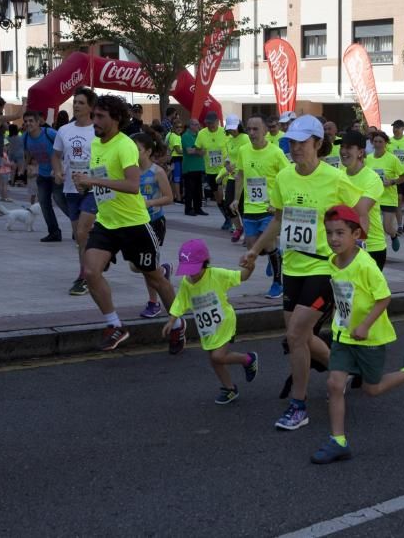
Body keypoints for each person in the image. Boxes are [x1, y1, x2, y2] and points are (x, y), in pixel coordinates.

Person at [241, 115, 372, 431]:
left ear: (317, 143)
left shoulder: (335, 179)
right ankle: (345, 369)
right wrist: (256, 250)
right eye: (291, 142)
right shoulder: (285, 178)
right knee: (301, 337)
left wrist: (349, 250)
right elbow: (278, 219)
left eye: (301, 142)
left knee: (296, 334)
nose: (295, 147)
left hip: (324, 268)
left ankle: (298, 405)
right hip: (293, 267)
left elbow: (360, 219)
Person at [310, 206, 404, 464]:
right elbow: (339, 294)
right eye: (329, 233)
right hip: (343, 334)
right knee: (334, 384)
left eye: (340, 233)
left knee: (372, 389)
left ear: (356, 234)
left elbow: (384, 298)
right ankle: (338, 441)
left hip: (369, 337)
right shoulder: (332, 260)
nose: (334, 239)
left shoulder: (365, 264)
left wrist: (364, 326)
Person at [74, 95, 177, 352]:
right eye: (94, 115)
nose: (94, 120)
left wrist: (94, 181)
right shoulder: (97, 145)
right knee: (90, 272)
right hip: (107, 223)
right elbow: (101, 179)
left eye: (100, 117)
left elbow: (132, 185)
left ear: (116, 119)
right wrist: (83, 183)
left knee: (155, 278)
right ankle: (115, 325)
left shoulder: (125, 146)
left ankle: (177, 324)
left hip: (134, 225)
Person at [163, 239, 258, 404]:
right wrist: (172, 320)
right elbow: (180, 301)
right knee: (214, 360)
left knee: (218, 357)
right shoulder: (187, 282)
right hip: (207, 327)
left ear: (205, 263)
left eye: (194, 269)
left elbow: (240, 276)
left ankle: (248, 359)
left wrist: (250, 268)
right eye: (188, 270)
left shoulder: (216, 275)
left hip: (224, 322)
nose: (191, 274)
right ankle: (229, 389)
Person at [231, 114, 289, 298]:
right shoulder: (243, 150)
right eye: (249, 129)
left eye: (256, 129)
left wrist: (277, 202)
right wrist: (235, 199)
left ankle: (278, 283)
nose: (252, 133)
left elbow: (288, 177)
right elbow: (240, 175)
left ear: (265, 131)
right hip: (249, 208)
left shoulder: (276, 152)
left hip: (269, 209)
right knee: (253, 246)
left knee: (269, 243)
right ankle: (276, 257)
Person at [52, 87, 99, 295]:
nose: (77, 105)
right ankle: (89, 267)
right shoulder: (64, 130)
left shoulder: (98, 131)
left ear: (90, 107)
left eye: (81, 102)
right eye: (75, 101)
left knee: (82, 231)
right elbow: (56, 155)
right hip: (71, 189)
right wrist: (57, 171)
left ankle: (86, 276)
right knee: (79, 236)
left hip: (93, 189)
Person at [133, 129, 174, 318]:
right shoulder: (130, 171)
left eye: (137, 149)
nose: (133, 152)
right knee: (136, 266)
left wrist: (150, 202)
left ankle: (153, 303)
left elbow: (169, 197)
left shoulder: (157, 172)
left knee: (147, 266)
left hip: (155, 222)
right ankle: (163, 270)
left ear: (148, 151)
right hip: (136, 222)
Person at [339, 130, 387, 269]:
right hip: (342, 244)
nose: (343, 151)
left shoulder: (372, 179)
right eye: (342, 146)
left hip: (371, 247)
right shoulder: (338, 175)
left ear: (360, 152)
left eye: (348, 147)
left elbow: (360, 211)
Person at [365, 131, 404, 253]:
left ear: (386, 143)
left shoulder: (392, 159)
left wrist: (392, 182)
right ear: (372, 143)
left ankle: (393, 235)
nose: (378, 144)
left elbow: (403, 177)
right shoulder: (367, 159)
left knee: (387, 227)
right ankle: (377, 247)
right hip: (373, 197)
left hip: (388, 197)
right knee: (373, 226)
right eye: (375, 141)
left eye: (380, 142)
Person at [23, 110, 64, 241]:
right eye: (26, 121)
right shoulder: (25, 137)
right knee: (44, 204)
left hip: (57, 173)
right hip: (42, 174)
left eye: (31, 121)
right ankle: (54, 232)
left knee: (60, 200)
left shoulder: (49, 133)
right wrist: (27, 166)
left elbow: (65, 146)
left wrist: (60, 168)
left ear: (38, 122)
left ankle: (78, 226)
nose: (28, 124)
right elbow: (27, 153)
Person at [195, 111, 231, 227]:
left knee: (225, 195)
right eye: (208, 123)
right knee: (218, 198)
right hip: (211, 170)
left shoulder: (225, 132)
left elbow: (231, 146)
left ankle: (231, 219)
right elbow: (197, 149)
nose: (210, 125)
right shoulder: (201, 133)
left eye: (212, 123)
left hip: (225, 169)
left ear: (218, 122)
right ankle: (227, 218)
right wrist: (200, 152)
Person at [224, 114, 252, 242]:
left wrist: (235, 166)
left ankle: (248, 233)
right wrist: (227, 164)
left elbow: (247, 155)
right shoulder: (229, 140)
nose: (232, 130)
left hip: (243, 176)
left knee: (242, 206)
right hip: (231, 177)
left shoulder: (245, 138)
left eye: (234, 127)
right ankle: (238, 228)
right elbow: (228, 156)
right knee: (229, 205)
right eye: (230, 128)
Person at [182, 118, 205, 215]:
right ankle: (188, 209)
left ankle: (198, 208)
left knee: (198, 190)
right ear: (190, 125)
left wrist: (197, 151)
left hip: (199, 167)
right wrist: (199, 151)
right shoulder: (186, 136)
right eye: (195, 124)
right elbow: (189, 151)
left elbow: (204, 149)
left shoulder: (199, 136)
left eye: (198, 124)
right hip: (189, 168)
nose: (197, 126)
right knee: (189, 190)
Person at [166, 120, 184, 202]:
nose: (179, 129)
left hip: (177, 159)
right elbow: (178, 151)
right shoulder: (175, 136)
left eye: (181, 127)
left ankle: (175, 196)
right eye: (177, 127)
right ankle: (178, 198)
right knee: (177, 179)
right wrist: (189, 151)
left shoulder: (177, 136)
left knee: (175, 179)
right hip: (176, 159)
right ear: (173, 127)